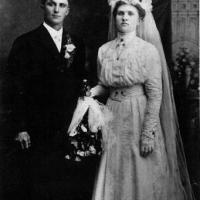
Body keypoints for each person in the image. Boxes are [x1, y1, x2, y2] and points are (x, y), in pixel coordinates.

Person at [90, 0, 195, 200]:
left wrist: (148, 133)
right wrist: (92, 92)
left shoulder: (148, 50)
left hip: (138, 113)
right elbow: (106, 84)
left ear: (139, 20)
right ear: (115, 17)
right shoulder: (104, 50)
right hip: (112, 115)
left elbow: (155, 94)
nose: (124, 18)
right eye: (120, 13)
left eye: (130, 14)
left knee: (139, 167)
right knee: (113, 166)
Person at [3, 0, 89, 199]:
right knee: (39, 184)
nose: (56, 9)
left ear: (68, 10)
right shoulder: (25, 42)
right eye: (51, 4)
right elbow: (15, 88)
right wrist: (21, 127)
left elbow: (80, 82)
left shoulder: (76, 42)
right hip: (37, 127)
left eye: (62, 5)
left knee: (67, 183)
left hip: (69, 126)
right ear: (43, 6)